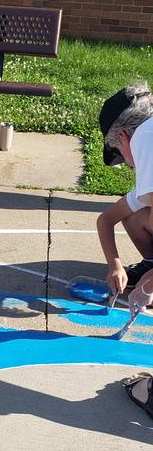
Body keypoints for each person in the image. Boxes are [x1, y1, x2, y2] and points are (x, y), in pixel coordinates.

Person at [96, 83, 153, 417]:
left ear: (124, 137)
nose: (128, 166)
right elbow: (108, 219)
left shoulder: (146, 138)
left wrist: (146, 287)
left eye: (119, 153)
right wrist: (115, 265)